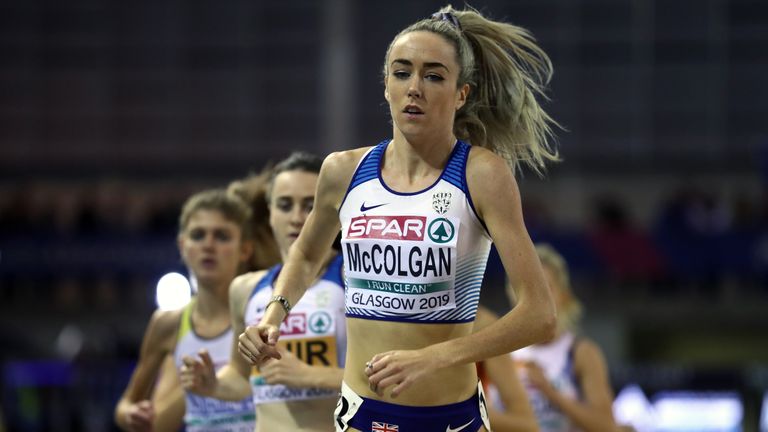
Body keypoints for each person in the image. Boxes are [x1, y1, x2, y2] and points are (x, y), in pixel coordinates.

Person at [238, 5, 559, 432]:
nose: (415, 88)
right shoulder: (343, 171)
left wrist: (436, 355)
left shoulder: (481, 175)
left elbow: (539, 314)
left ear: (460, 94)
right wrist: (272, 316)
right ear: (386, 85)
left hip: (450, 418)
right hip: (361, 414)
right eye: (402, 72)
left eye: (433, 75)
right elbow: (307, 253)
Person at [181, 152, 346, 432]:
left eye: (310, 205)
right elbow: (243, 377)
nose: (297, 218)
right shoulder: (245, 289)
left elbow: (385, 378)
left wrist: (311, 375)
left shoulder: (352, 275)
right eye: (284, 205)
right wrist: (214, 385)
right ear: (269, 213)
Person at [114, 189, 256, 431]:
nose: (208, 245)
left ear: (245, 249)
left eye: (222, 236)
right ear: (182, 245)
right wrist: (132, 415)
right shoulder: (169, 323)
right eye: (198, 235)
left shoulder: (261, 312)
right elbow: (126, 405)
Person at [511, 244, 617, 431]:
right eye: (525, 287)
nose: (535, 297)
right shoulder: (500, 354)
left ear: (564, 295)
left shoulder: (581, 353)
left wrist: (550, 392)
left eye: (546, 287)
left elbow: (606, 426)